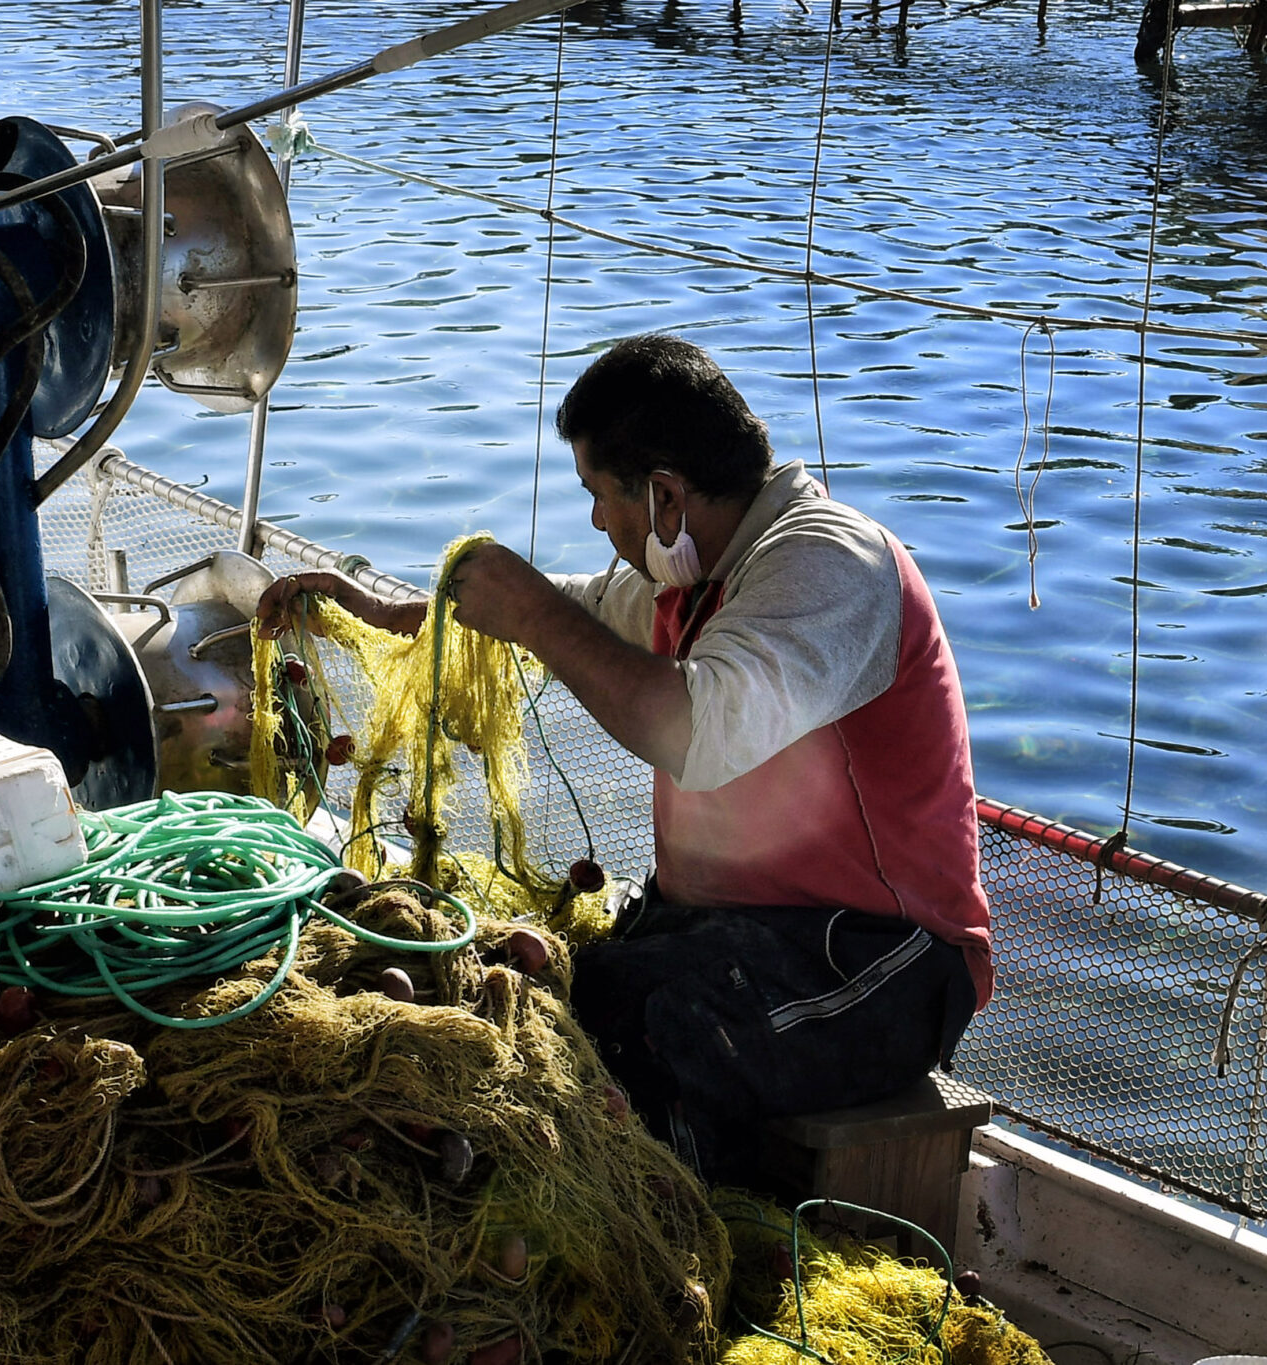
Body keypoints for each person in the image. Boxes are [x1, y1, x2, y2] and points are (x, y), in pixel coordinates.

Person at [257, 333, 991, 1182]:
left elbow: (690, 734)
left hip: (884, 962)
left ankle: (682, 1235)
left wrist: (530, 609)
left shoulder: (829, 563)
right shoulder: (690, 570)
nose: (599, 525)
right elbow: (566, 621)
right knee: (541, 994)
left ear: (667, 494)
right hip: (725, 934)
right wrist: (377, 613)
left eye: (600, 499)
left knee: (654, 1038)